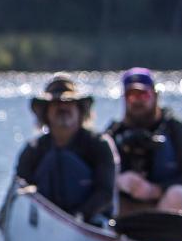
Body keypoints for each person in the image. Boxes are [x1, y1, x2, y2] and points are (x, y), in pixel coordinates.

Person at [15, 74, 118, 226]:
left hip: (89, 224)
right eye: (56, 103)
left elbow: (105, 193)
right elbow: (19, 190)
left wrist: (79, 216)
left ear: (80, 110)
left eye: (69, 103)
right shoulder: (33, 150)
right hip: (43, 225)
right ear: (46, 112)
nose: (63, 107)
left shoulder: (99, 145)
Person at [105, 67, 182, 214]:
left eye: (143, 95)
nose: (137, 102)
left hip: (167, 208)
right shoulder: (112, 135)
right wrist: (118, 181)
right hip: (128, 211)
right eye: (132, 96)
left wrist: (155, 190)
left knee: (179, 194)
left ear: (155, 95)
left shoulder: (177, 130)